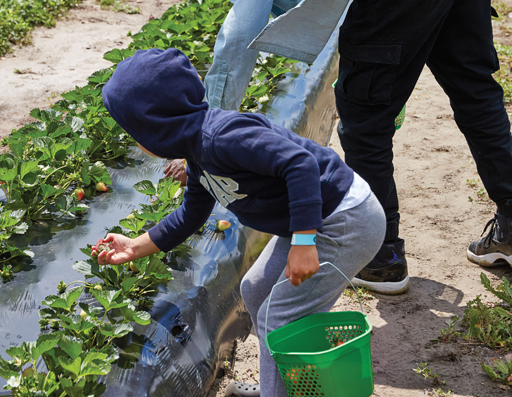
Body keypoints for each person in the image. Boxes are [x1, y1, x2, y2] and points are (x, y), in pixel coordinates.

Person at [154, 0, 512, 295]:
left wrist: (202, 137)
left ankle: (381, 259)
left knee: (364, 116)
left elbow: (239, 37)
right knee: (474, 89)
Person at [92, 46, 386, 397]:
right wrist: (135, 246)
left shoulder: (223, 137)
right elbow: (190, 216)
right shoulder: (197, 157)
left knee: (278, 318)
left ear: (153, 125)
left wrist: (304, 242)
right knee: (256, 290)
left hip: (344, 221)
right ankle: (276, 387)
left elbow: (300, 164)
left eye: (133, 129)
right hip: (319, 221)